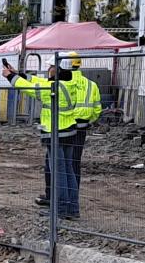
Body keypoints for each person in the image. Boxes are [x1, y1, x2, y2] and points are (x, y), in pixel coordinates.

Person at [2, 56, 81, 219]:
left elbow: (29, 88)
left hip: (56, 133)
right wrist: (19, 73)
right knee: (68, 171)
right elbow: (37, 81)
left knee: (58, 173)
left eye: (51, 66)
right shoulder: (71, 83)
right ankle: (72, 210)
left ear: (58, 69)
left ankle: (59, 210)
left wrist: (10, 77)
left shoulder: (52, 88)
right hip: (69, 131)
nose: (48, 69)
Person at [35, 51, 102, 207]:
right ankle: (72, 200)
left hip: (63, 127)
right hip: (81, 128)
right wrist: (85, 121)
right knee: (73, 165)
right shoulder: (91, 84)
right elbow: (97, 109)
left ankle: (54, 198)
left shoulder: (64, 82)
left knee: (54, 164)